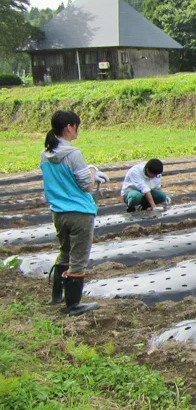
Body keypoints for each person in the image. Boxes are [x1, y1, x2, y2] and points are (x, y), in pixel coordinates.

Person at [40, 110, 107, 316]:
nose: (78, 130)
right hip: (79, 213)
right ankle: (73, 304)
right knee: (79, 257)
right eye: (77, 126)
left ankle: (57, 296)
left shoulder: (46, 154)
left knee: (64, 252)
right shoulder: (73, 154)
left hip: (58, 212)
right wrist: (94, 170)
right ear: (69, 127)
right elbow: (87, 185)